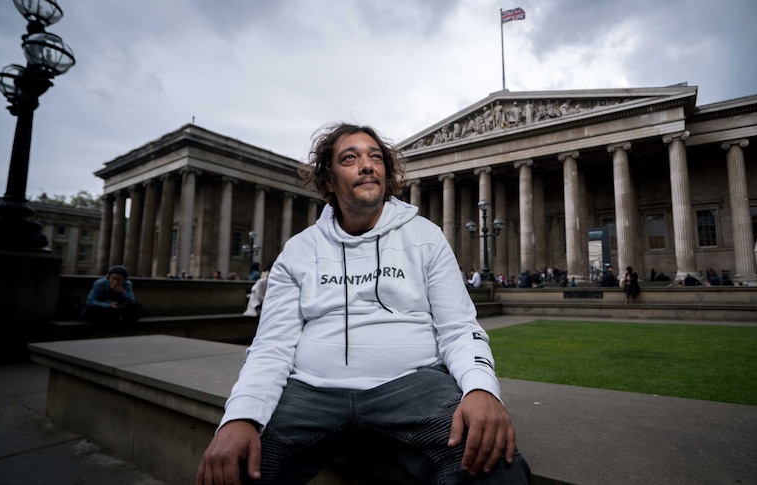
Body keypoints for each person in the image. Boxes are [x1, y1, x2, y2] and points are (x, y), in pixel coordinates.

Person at [197, 123, 530, 484]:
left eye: (375, 157)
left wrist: (481, 388)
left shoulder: (425, 238)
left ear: (386, 173)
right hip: (312, 392)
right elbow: (271, 346)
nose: (367, 165)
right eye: (350, 157)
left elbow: (460, 328)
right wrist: (240, 417)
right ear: (327, 179)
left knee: (496, 466)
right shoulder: (299, 251)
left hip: (413, 388)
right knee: (231, 470)